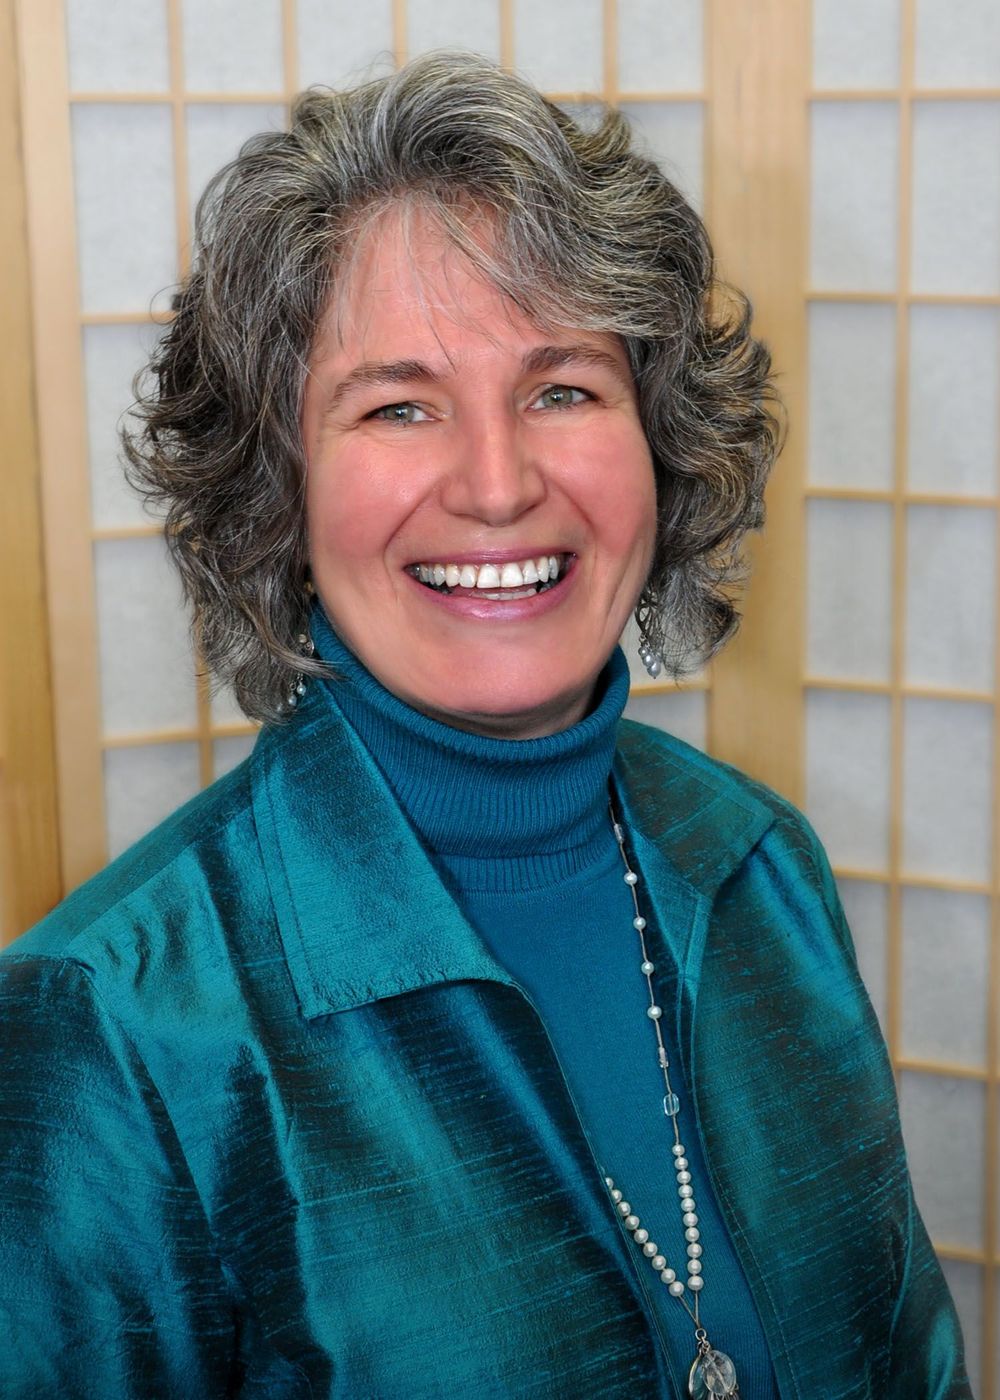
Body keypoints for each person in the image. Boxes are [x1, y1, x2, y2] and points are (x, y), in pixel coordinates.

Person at [0, 51, 969, 1400]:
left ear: (659, 439)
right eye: (398, 406)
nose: (498, 484)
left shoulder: (761, 868)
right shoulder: (117, 1027)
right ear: (278, 485)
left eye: (563, 387)